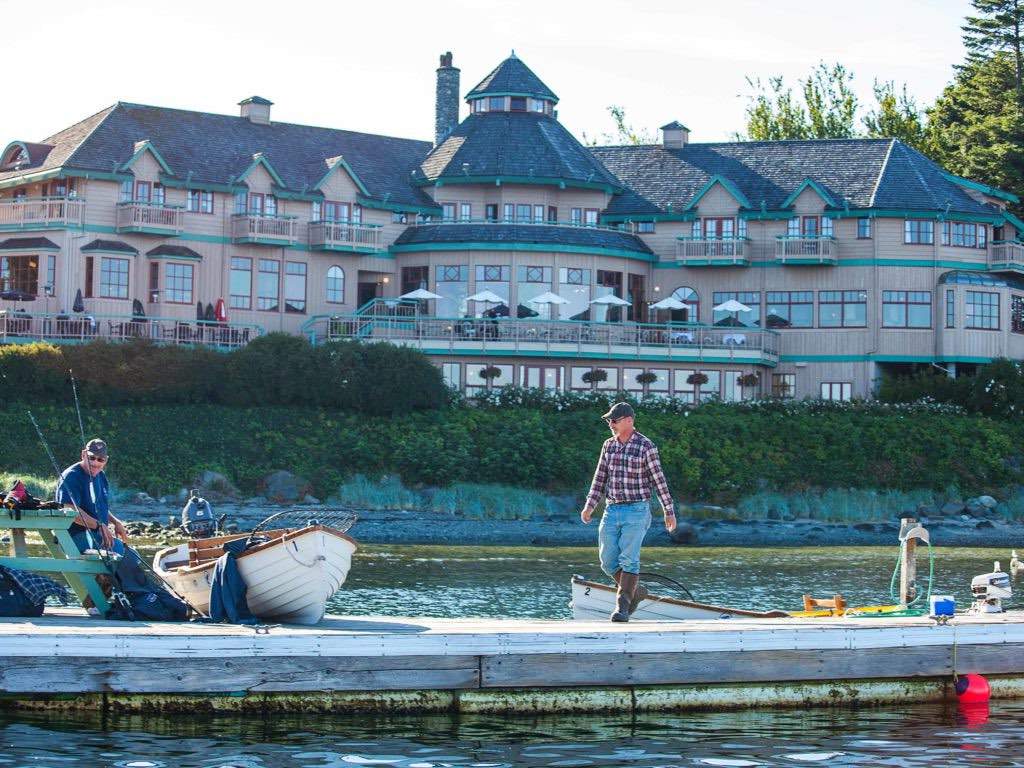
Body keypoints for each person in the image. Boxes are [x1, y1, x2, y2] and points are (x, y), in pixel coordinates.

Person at [580, 402, 676, 622]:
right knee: (607, 560)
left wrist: (668, 511)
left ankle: (622, 608)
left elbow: (658, 480)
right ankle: (636, 591)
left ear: (629, 421)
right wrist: (590, 505)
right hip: (611, 509)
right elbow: (600, 478)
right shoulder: (608, 446)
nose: (610, 424)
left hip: (637, 509)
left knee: (629, 560)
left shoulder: (646, 446)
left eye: (614, 420)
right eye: (609, 421)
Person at [55, 439, 130, 556]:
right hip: (73, 537)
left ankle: (104, 574)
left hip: (95, 535)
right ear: (83, 454)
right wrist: (99, 525)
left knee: (131, 554)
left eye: (100, 459)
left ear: (106, 460)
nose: (96, 463)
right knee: (122, 554)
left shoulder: (101, 476)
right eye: (92, 458)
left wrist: (115, 522)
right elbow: (70, 511)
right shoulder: (71, 476)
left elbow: (98, 506)